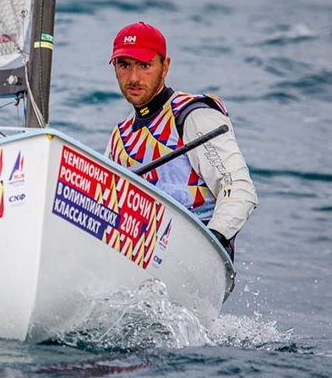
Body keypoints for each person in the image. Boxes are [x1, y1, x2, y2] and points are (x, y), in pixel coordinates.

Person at [105, 21, 257, 260]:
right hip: (140, 260)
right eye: (124, 65)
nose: (133, 77)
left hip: (196, 261)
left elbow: (239, 189)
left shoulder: (193, 115)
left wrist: (211, 243)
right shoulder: (120, 136)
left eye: (145, 65)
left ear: (165, 66)